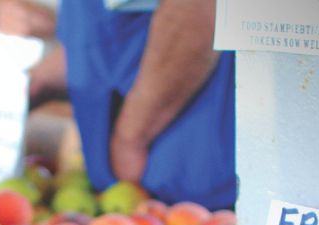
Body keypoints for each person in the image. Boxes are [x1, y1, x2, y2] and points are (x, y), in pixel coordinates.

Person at [30, 0, 235, 210]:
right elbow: (100, 35)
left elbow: (196, 9)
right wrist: (32, 85)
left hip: (185, 176)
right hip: (128, 194)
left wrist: (132, 138)